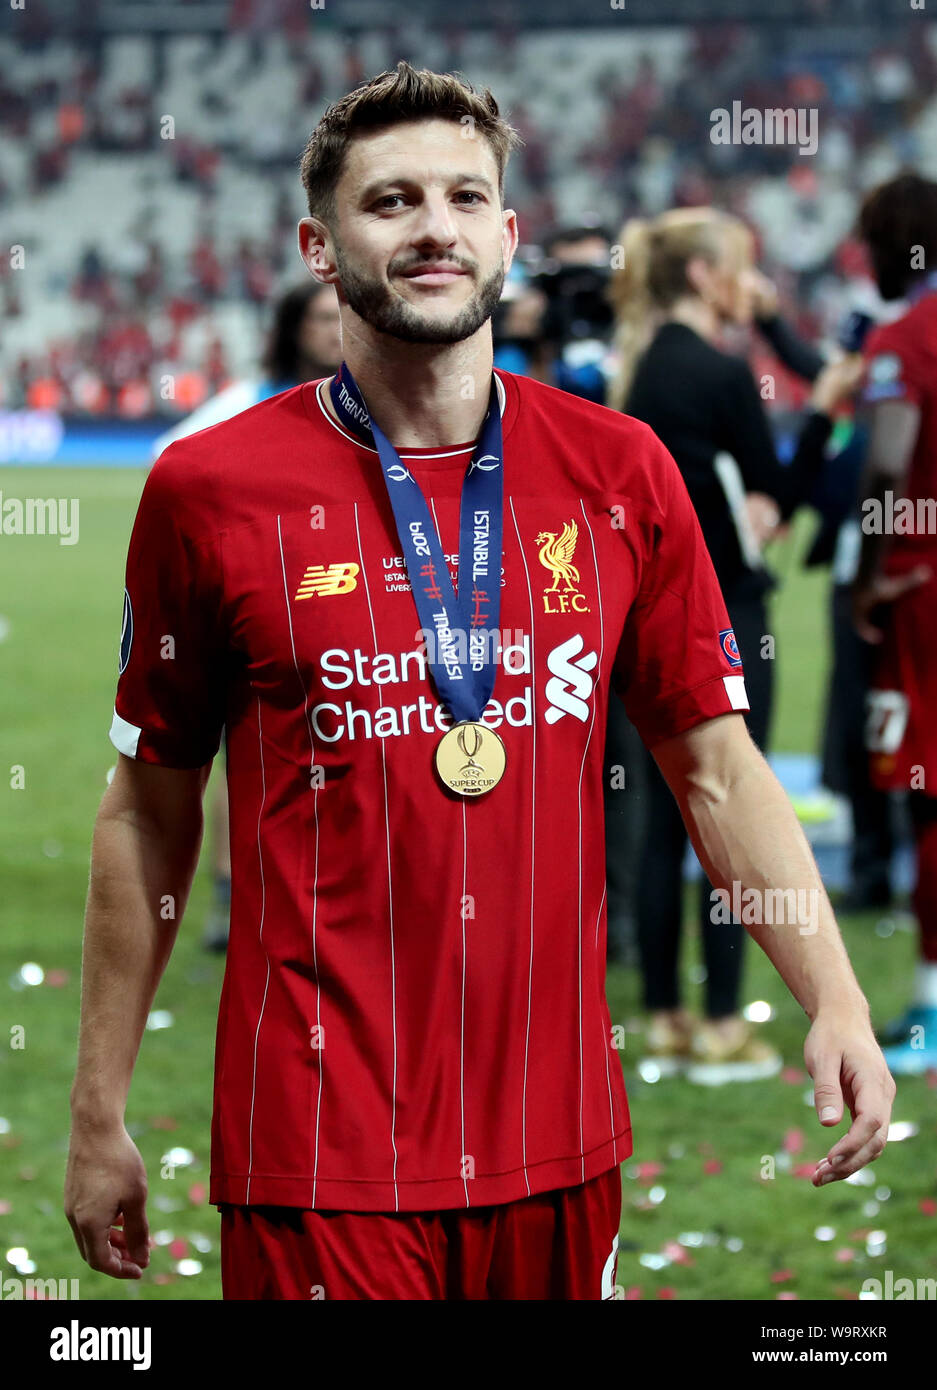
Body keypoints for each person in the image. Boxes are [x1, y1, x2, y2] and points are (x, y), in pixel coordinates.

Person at [65, 61, 893, 1302]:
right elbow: (150, 805)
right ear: (319, 242)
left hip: (559, 1138)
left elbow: (715, 767)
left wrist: (832, 995)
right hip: (315, 1146)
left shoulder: (622, 470)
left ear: (507, 233)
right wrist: (96, 1106)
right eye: (389, 201)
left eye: (464, 197)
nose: (433, 227)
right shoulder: (210, 488)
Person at [607, 208, 865, 1082]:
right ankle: (723, 1018)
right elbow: (775, 500)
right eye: (743, 268)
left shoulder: (641, 366)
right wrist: (825, 412)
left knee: (652, 826)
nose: (753, 282)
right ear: (706, 276)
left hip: (638, 615)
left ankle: (669, 1017)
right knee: (725, 813)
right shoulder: (718, 373)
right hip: (722, 616)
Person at [151, 281, 343, 951]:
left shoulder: (378, 400)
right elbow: (171, 462)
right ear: (293, 328)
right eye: (320, 318)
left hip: (344, 603)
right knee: (243, 750)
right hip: (260, 602)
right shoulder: (249, 401)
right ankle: (234, 895)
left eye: (342, 315)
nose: (335, 330)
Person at [852, 172, 937, 1074]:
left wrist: (869, 577)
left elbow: (885, 463)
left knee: (929, 792)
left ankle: (930, 1008)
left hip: (924, 586)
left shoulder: (907, 337)